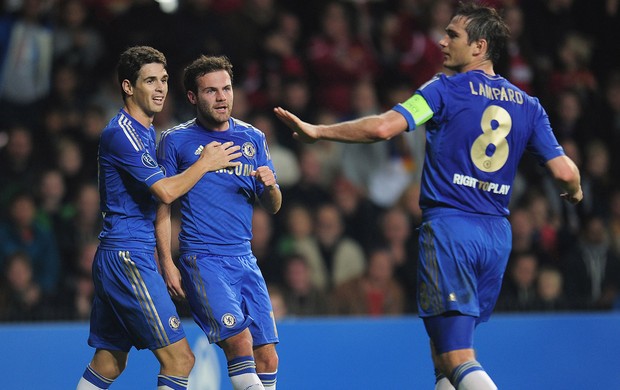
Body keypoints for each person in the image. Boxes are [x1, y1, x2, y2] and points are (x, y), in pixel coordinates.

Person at [274, 3, 583, 389]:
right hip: (495, 237)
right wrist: (574, 191)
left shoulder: (442, 89)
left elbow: (386, 127)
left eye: (452, 35)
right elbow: (565, 171)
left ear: (479, 47)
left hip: (451, 230)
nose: (441, 41)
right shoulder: (529, 105)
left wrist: (319, 132)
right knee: (443, 356)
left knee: (458, 357)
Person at [76, 46, 242, 390]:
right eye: (150, 80)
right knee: (181, 359)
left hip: (121, 254)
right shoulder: (121, 132)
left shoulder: (144, 131)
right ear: (127, 86)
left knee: (109, 362)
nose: (160, 88)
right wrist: (204, 163)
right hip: (128, 257)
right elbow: (165, 192)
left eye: (164, 80)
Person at [156, 55, 281, 390]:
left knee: (267, 357)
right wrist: (166, 262)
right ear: (193, 97)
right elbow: (162, 203)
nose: (222, 97)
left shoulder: (252, 138)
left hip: (245, 259)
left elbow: (273, 205)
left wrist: (270, 186)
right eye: (211, 91)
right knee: (239, 341)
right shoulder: (175, 140)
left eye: (226, 88)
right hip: (203, 258)